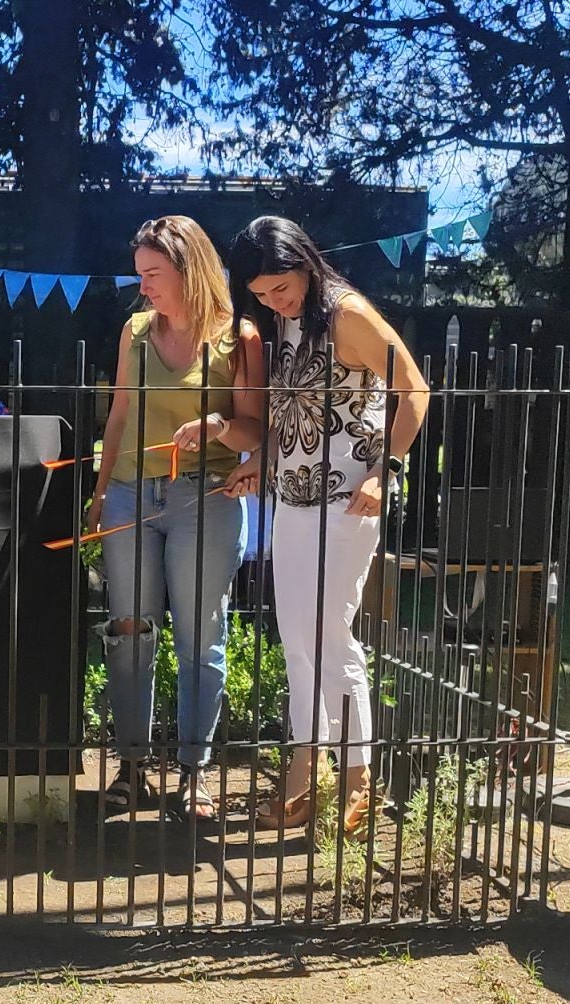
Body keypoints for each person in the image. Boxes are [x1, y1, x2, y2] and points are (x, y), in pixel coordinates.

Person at [221, 216, 431, 834]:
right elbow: (294, 412)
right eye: (259, 294)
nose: (272, 301)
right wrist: (259, 461)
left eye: (279, 287)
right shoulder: (288, 319)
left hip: (347, 502)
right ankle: (307, 771)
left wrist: (385, 470)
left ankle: (358, 778)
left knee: (328, 634)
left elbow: (414, 390)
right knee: (296, 635)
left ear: (306, 263)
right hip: (291, 499)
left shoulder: (348, 314)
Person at [88, 216, 263, 821]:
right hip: (129, 498)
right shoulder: (134, 331)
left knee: (199, 636)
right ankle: (131, 765)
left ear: (190, 271)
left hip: (205, 497)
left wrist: (217, 427)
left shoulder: (238, 337)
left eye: (154, 275)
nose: (144, 289)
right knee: (129, 632)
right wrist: (99, 491)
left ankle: (194, 771)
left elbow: (254, 431)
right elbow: (116, 417)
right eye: (140, 275)